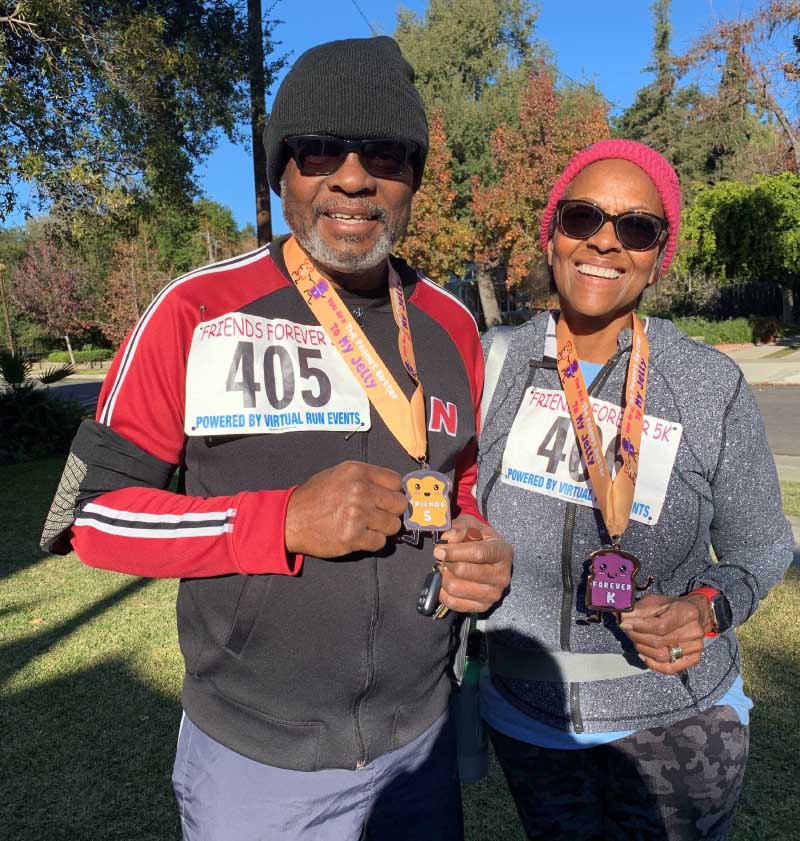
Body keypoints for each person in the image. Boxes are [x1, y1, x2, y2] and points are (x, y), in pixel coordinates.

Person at [40, 36, 512, 841]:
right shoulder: (196, 311)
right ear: (282, 169)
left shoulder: (452, 323)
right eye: (320, 149)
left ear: (413, 179)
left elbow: (461, 487)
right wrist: (279, 520)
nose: (354, 177)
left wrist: (480, 546)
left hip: (419, 746)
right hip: (254, 761)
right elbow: (90, 518)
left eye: (388, 155)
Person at [477, 139, 794, 841]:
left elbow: (762, 543)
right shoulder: (492, 364)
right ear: (552, 233)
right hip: (530, 723)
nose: (605, 242)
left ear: (659, 255)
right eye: (582, 216)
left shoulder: (708, 385)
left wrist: (706, 608)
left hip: (679, 727)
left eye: (637, 227)